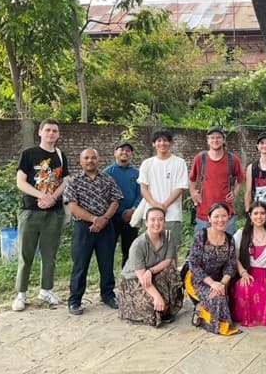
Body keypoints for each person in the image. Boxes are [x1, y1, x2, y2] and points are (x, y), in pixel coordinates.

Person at [12, 119, 70, 311]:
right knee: (25, 254)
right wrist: (41, 196)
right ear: (40, 133)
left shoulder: (61, 156)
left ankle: (46, 290)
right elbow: (21, 182)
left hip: (54, 213)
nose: (51, 133)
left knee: (50, 254)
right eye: (48, 130)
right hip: (30, 211)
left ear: (58, 134)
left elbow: (66, 180)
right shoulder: (29, 154)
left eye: (55, 130)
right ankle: (21, 294)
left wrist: (53, 197)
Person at [64, 148, 123, 315]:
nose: (90, 160)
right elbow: (73, 206)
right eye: (86, 158)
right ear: (81, 161)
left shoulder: (108, 179)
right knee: (80, 264)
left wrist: (103, 219)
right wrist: (94, 219)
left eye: (93, 158)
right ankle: (75, 300)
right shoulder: (74, 181)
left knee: (107, 263)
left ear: (98, 160)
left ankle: (107, 295)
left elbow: (116, 200)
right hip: (84, 228)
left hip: (106, 226)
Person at [118, 207, 183, 327]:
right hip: (134, 280)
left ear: (164, 222)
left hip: (152, 274)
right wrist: (157, 297)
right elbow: (142, 277)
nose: (156, 223)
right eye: (152, 220)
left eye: (160, 219)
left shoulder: (168, 236)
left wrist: (150, 271)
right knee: (152, 309)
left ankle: (169, 307)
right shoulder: (138, 244)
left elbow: (168, 261)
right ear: (146, 222)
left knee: (172, 272)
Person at [188, 202, 239, 335]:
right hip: (200, 280)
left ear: (229, 217)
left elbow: (231, 266)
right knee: (218, 300)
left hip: (220, 281)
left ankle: (202, 310)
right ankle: (209, 320)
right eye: (216, 216)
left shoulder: (230, 239)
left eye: (224, 216)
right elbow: (194, 264)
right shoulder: (201, 236)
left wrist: (221, 284)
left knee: (225, 299)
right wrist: (212, 284)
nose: (220, 220)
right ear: (209, 218)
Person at [231, 201, 266, 327]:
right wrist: (243, 273)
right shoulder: (241, 233)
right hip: (248, 273)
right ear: (250, 215)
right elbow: (234, 258)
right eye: (255, 213)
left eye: (262, 213)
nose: (259, 217)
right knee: (244, 288)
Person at [138, 129, 189, 250]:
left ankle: (171, 270)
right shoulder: (147, 163)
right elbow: (144, 188)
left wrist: (164, 205)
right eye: (159, 140)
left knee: (172, 250)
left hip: (172, 214)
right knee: (150, 248)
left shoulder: (179, 163)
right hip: (151, 214)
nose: (162, 143)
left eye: (165, 140)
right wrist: (156, 205)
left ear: (170, 143)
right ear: (153, 144)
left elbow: (180, 187)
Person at [189, 126, 245, 235]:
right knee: (201, 248)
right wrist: (193, 192)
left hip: (226, 214)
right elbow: (192, 179)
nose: (215, 140)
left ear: (223, 140)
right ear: (208, 140)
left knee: (226, 248)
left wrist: (235, 193)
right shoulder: (200, 158)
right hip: (204, 213)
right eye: (212, 138)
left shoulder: (232, 159)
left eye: (218, 137)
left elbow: (241, 179)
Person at [103, 140, 142, 268]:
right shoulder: (107, 173)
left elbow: (141, 193)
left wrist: (133, 210)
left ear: (131, 154)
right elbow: (104, 196)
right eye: (122, 150)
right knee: (108, 249)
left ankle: (128, 277)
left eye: (128, 151)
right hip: (112, 218)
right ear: (115, 153)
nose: (125, 152)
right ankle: (109, 280)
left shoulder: (137, 173)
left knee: (130, 250)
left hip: (131, 217)